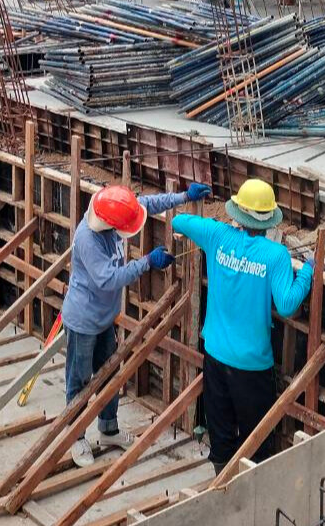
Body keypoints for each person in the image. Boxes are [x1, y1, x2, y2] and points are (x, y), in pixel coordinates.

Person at [61, 181, 212, 468]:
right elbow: (109, 279)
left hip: (104, 319)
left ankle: (108, 430)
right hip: (83, 321)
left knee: (110, 375)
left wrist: (183, 196)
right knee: (79, 381)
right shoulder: (87, 240)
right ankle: (75, 437)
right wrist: (147, 262)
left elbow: (148, 205)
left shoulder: (114, 209)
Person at [170, 178, 314, 474]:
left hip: (215, 355)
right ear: (268, 221)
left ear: (237, 213)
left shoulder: (217, 236)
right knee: (257, 440)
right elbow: (287, 304)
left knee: (221, 434)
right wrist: (307, 274)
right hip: (251, 366)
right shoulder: (275, 255)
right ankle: (252, 490)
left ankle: (221, 481)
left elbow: (181, 221)